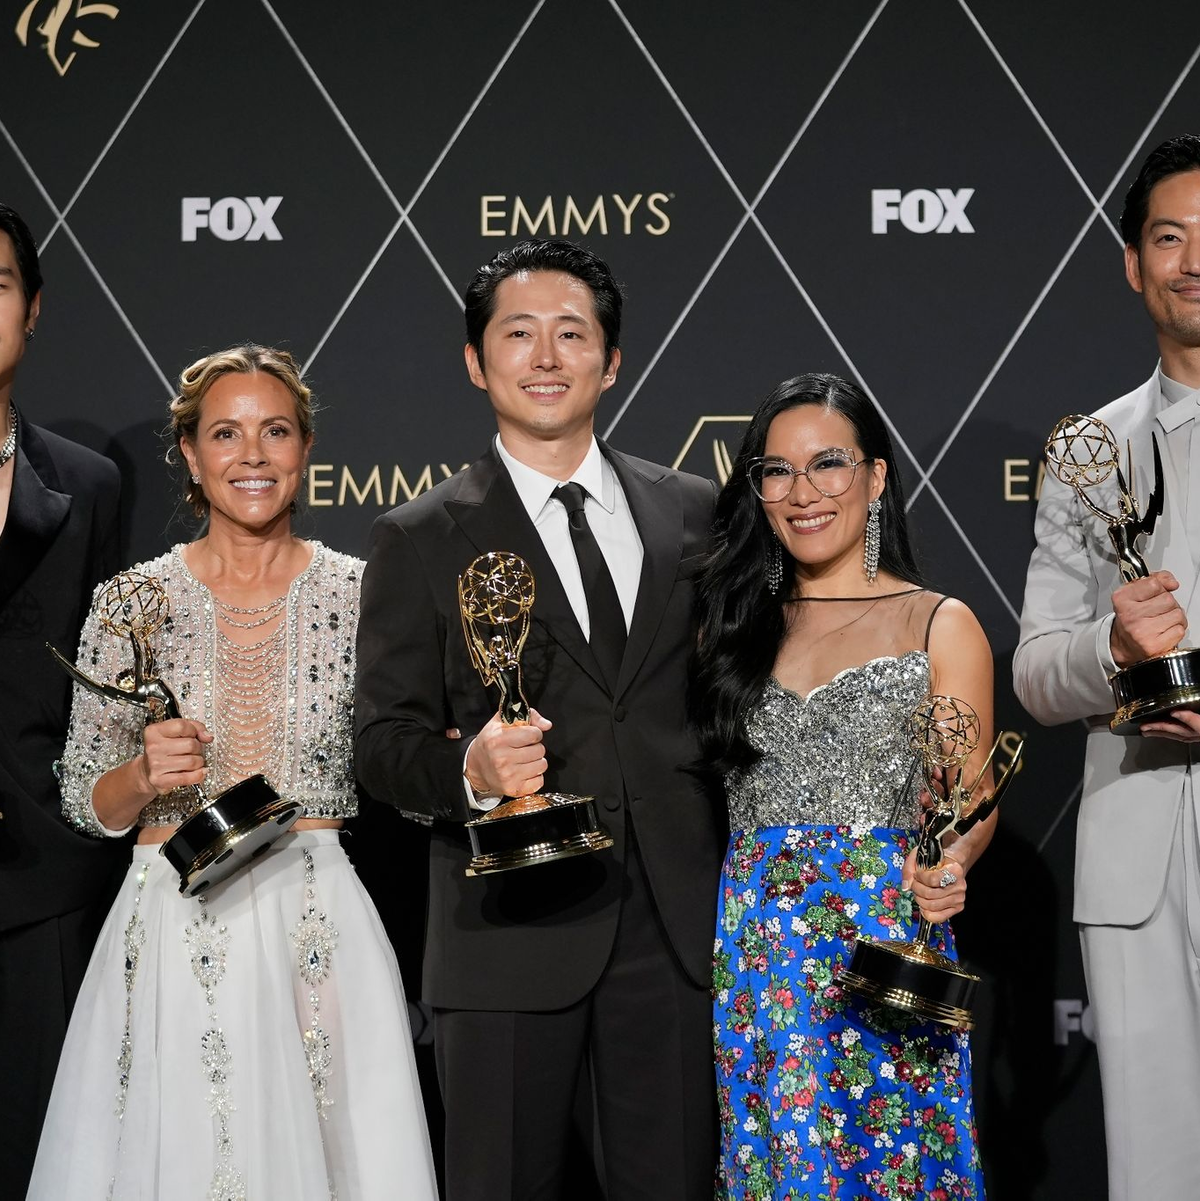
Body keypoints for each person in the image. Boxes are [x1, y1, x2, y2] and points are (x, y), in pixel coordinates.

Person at [355, 239, 726, 1198]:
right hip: (504, 933)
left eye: (573, 333)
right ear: (478, 362)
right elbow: (382, 747)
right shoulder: (419, 535)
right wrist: (472, 770)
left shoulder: (693, 512)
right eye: (519, 334)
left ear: (613, 359)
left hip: (671, 927)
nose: (548, 355)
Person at [26, 345, 436, 1200]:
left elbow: (407, 753)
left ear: (307, 447)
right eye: (226, 433)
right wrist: (141, 776)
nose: (252, 454)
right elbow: (82, 796)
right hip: (173, 922)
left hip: (317, 925)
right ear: (190, 454)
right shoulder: (132, 602)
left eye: (274, 430)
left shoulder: (365, 595)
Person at [692, 373, 995, 1198]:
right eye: (776, 471)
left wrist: (951, 863)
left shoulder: (940, 621)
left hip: (884, 944)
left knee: (894, 1163)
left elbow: (969, 800)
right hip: (761, 953)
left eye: (828, 464)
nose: (803, 492)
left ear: (876, 475)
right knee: (779, 1163)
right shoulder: (729, 623)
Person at [1012, 134, 1200, 1201]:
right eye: (1168, 237)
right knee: (1157, 1172)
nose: (1192, 260)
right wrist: (1114, 651)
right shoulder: (1089, 449)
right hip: (1138, 861)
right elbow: (1039, 671)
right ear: (1134, 263)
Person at [0, 201, 123, 1196]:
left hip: (40, 873)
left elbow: (113, 688)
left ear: (32, 310)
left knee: (46, 1155)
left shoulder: (86, 484)